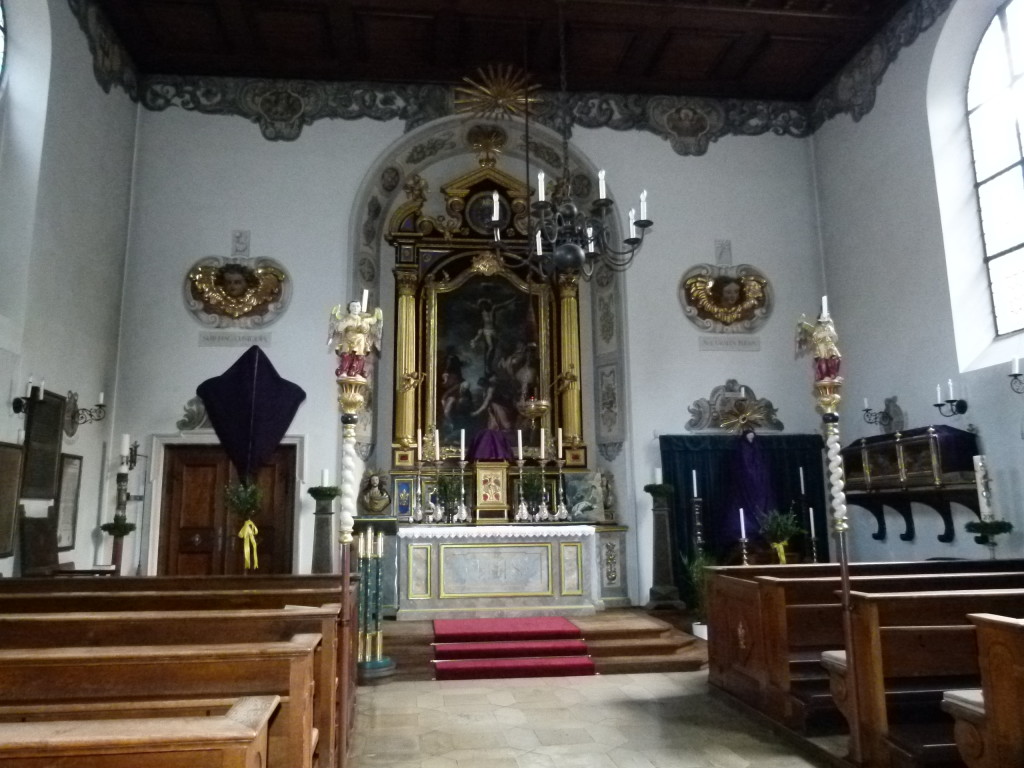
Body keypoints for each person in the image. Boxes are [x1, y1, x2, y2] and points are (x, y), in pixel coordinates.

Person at [328, 300, 383, 380]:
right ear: (349, 308)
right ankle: (344, 370)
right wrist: (346, 324)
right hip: (347, 339)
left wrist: (364, 326)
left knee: (359, 356)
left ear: (360, 308)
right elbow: (339, 328)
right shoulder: (346, 318)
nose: (355, 308)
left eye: (357, 306)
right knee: (346, 355)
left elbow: (368, 328)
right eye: (353, 306)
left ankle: (357, 371)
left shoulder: (363, 319)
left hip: (360, 340)